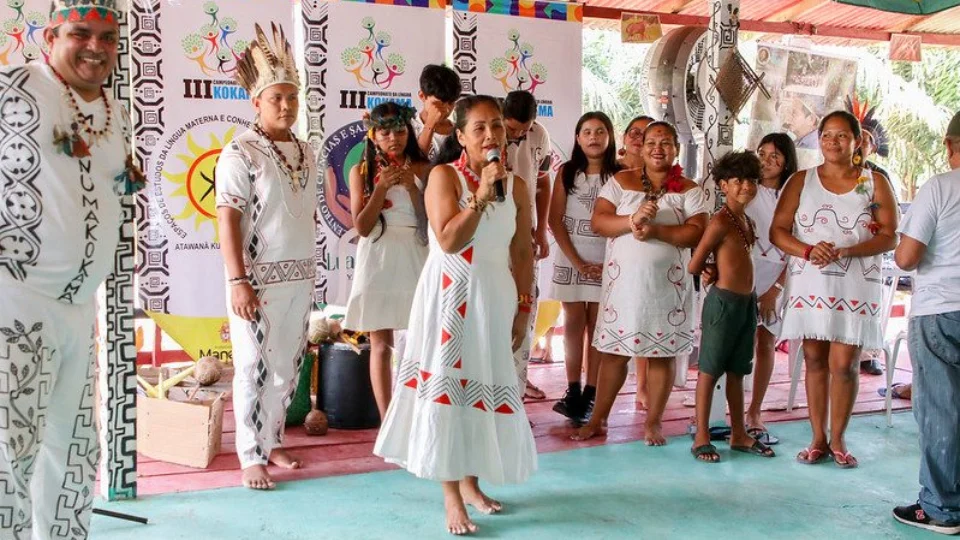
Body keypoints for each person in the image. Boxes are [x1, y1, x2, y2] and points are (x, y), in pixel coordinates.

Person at [0, 2, 135, 535]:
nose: (96, 48)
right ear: (51, 35)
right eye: (81, 33)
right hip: (16, 299)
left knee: (75, 449)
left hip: (80, 309)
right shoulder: (14, 88)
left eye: (108, 37)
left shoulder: (114, 110)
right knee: (10, 448)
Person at [374, 95, 537, 535]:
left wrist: (523, 307)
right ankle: (451, 495)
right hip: (451, 293)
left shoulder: (517, 185)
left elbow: (522, 250)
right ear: (460, 136)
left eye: (497, 127)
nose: (490, 135)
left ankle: (472, 482)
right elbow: (448, 240)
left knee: (482, 381)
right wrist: (481, 196)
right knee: (448, 388)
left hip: (495, 294)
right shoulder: (443, 177)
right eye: (479, 128)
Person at [217, 24, 317, 490]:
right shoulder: (240, 151)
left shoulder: (307, 151)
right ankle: (250, 454)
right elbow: (228, 218)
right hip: (255, 280)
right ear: (256, 102)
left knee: (287, 366)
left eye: (291, 97)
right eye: (275, 97)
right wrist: (238, 280)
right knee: (253, 366)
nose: (285, 105)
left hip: (299, 276)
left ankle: (272, 437)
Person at [771, 110, 899, 469]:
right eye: (827, 135)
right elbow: (779, 231)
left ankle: (839, 437)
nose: (833, 142)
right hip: (812, 281)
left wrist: (847, 250)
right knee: (813, 358)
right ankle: (817, 438)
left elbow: (890, 235)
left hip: (857, 285)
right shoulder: (801, 180)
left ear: (857, 141)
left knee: (844, 363)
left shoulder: (872, 183)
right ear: (819, 139)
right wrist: (809, 250)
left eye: (842, 135)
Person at [574, 121, 707, 443]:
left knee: (660, 356)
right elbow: (600, 222)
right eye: (651, 143)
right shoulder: (621, 182)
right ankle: (598, 419)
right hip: (624, 288)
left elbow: (696, 232)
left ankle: (653, 423)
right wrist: (632, 220)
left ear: (676, 148)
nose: (658, 149)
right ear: (641, 147)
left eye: (665, 142)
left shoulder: (689, 189)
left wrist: (657, 230)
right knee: (614, 354)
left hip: (667, 287)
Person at [891, 110, 960, 535]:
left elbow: (907, 257)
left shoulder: (940, 187)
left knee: (940, 408)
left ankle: (940, 507)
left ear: (950, 145)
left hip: (940, 308)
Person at [344, 102, 430, 420]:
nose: (393, 138)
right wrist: (380, 188)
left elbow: (431, 224)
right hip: (377, 257)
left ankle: (419, 411)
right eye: (385, 132)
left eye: (399, 131)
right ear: (373, 136)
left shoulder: (426, 169)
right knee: (380, 344)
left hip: (416, 253)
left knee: (420, 338)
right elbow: (363, 227)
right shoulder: (361, 173)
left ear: (408, 132)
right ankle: (387, 419)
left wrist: (412, 188)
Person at [688, 151, 775, 463]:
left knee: (738, 370)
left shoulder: (746, 220)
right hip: (723, 304)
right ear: (723, 185)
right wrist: (711, 268)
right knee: (709, 370)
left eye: (752, 181)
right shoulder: (721, 221)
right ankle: (701, 436)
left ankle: (739, 433)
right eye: (738, 181)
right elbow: (695, 264)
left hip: (746, 303)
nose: (746, 187)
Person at [545, 112, 618, 423]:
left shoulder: (620, 175)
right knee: (574, 322)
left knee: (598, 327)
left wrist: (605, 262)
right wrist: (577, 262)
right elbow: (554, 221)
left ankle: (592, 394)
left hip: (606, 260)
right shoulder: (566, 172)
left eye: (600, 131)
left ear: (610, 137)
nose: (593, 137)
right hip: (571, 257)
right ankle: (572, 390)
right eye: (587, 131)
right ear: (577, 138)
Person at [744, 133, 798, 445]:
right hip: (745, 272)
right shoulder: (746, 189)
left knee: (765, 343)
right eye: (762, 153)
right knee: (740, 344)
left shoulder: (796, 196)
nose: (766, 160)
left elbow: (796, 247)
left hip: (779, 276)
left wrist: (775, 289)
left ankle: (755, 411)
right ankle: (732, 410)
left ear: (786, 160)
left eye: (774, 155)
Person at [502, 90, 552, 401]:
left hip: (526, 229)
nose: (519, 135)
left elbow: (544, 181)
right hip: (492, 231)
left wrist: (542, 230)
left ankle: (515, 398)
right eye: (512, 130)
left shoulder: (540, 135)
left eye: (525, 129)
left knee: (525, 308)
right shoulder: (488, 131)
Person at [846, 95, 898, 376]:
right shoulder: (833, 173)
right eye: (858, 139)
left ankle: (867, 354)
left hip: (869, 251)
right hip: (840, 248)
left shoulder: (879, 176)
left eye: (866, 140)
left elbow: (891, 218)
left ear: (872, 146)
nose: (861, 145)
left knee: (868, 302)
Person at [616, 114, 656, 407]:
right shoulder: (611, 171)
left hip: (644, 255)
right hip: (610, 250)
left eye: (645, 134)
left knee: (643, 320)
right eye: (633, 132)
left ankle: (643, 386)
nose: (637, 138)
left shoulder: (662, 175)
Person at [411, 64, 461, 160]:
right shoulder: (409, 129)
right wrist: (430, 124)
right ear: (422, 96)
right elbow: (416, 161)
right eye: (439, 104)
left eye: (451, 103)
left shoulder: (458, 131)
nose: (446, 110)